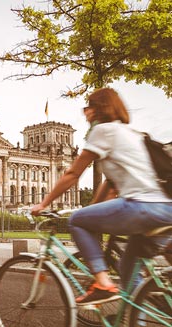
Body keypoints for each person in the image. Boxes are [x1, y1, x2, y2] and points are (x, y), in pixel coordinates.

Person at [31, 88, 172, 306]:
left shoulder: (102, 131)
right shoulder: (133, 134)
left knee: (76, 220)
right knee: (128, 268)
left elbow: (72, 173)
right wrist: (94, 211)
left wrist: (44, 203)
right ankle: (142, 317)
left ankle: (103, 283)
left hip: (141, 207)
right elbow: (110, 183)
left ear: (99, 109)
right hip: (165, 209)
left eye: (89, 106)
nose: (85, 111)